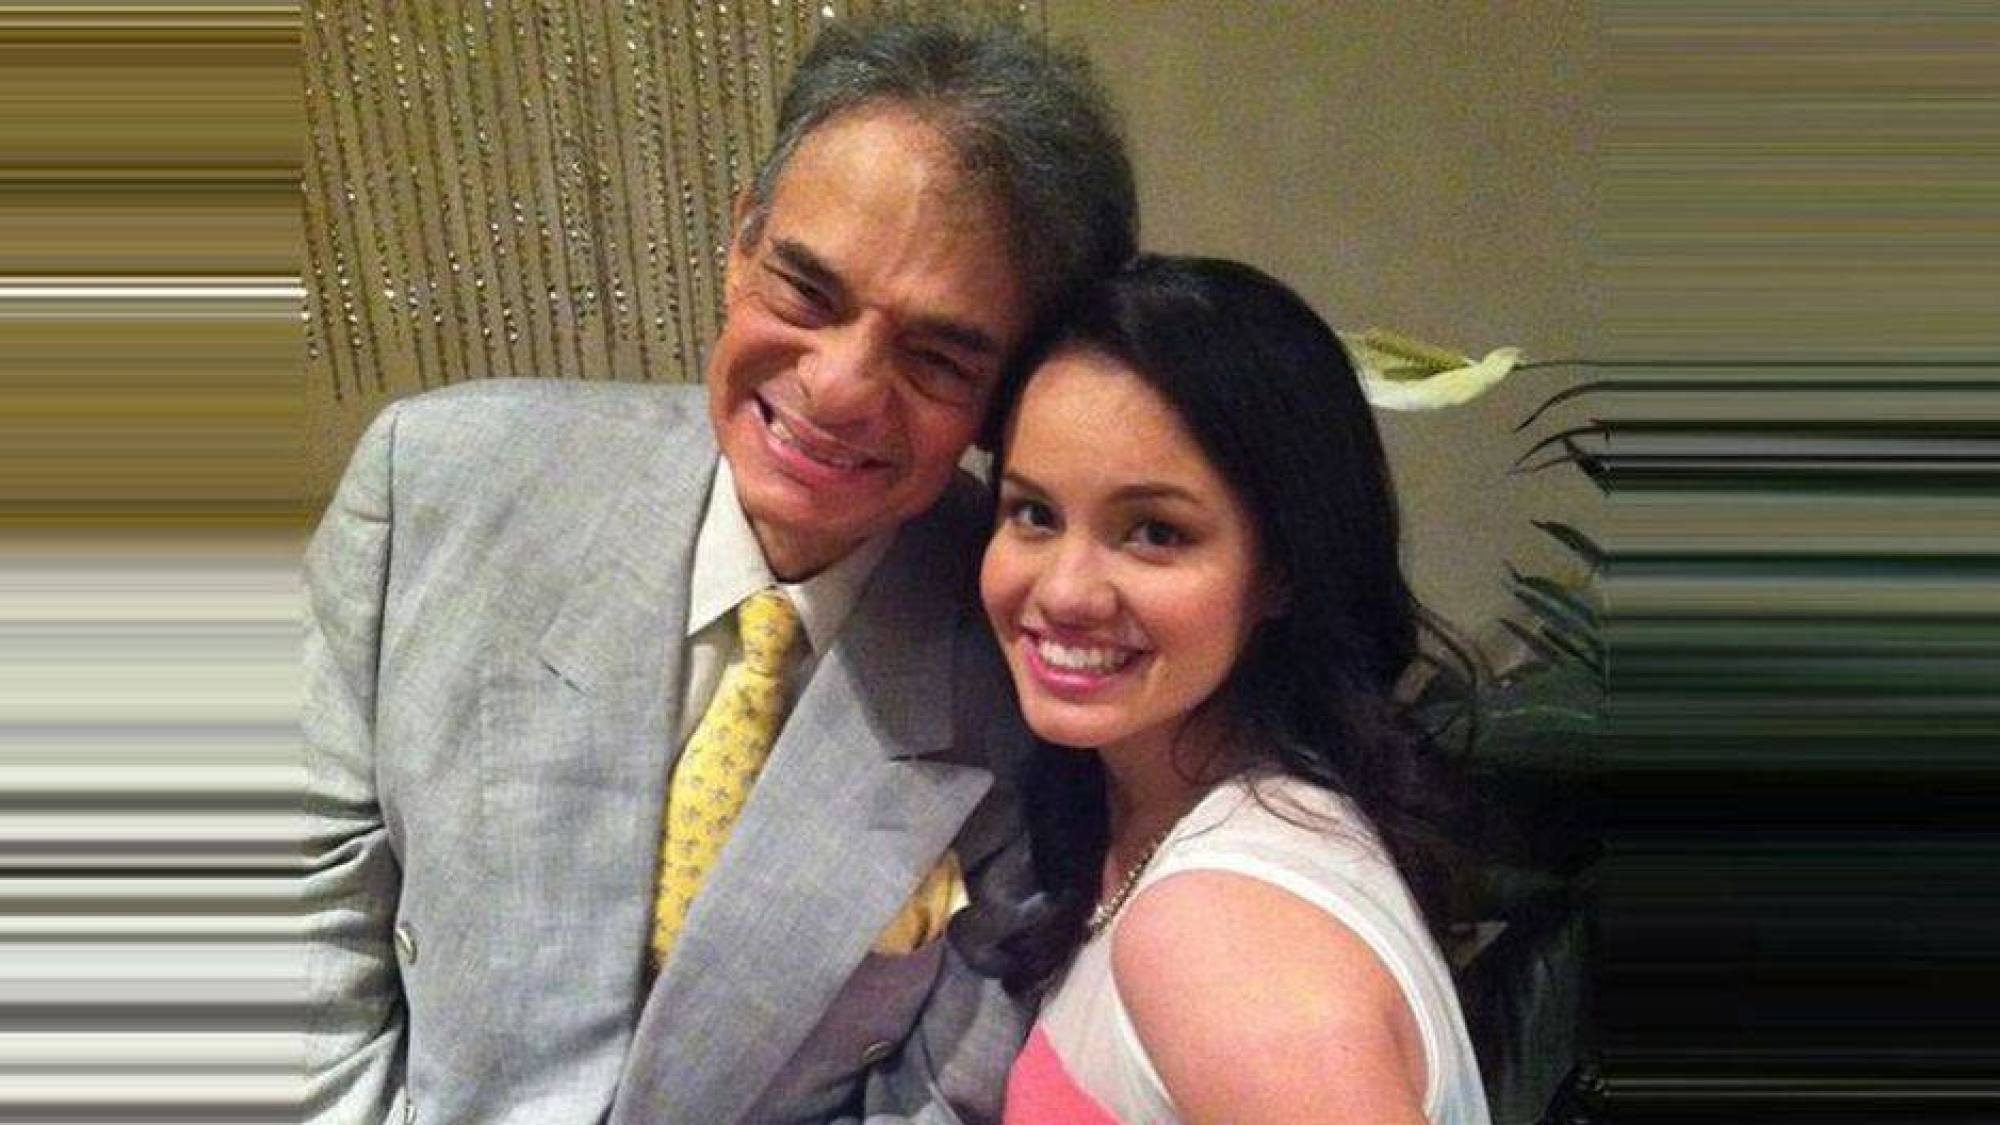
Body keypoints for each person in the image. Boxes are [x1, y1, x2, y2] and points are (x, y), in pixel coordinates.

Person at [304, 18, 1135, 1124]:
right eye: (806, 291)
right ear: (743, 241)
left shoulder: (1030, 668)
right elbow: (295, 903)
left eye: (937, 355)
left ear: (1009, 393)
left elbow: (950, 1088)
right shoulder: (433, 484)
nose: (838, 387)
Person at [981, 256, 1489, 1124]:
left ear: (1283, 567)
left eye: (1154, 531)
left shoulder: (1221, 930)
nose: (1064, 591)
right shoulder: (1169, 818)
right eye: (1034, 513)